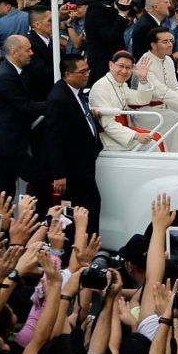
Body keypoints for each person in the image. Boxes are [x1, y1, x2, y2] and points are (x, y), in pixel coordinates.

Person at [0, 35, 46, 197]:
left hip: (3, 139)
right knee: (37, 178)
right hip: (3, 141)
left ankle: (1, 220)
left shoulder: (13, 71)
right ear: (14, 52)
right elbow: (26, 106)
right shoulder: (6, 75)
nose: (31, 53)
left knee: (4, 184)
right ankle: (29, 215)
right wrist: (55, 104)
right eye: (27, 50)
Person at [43, 54, 103, 233]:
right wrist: (59, 173)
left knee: (89, 206)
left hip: (82, 164)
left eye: (88, 70)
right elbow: (54, 138)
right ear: (67, 74)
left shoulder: (73, 92)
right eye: (82, 72)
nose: (87, 74)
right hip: (72, 169)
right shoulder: (59, 99)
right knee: (83, 208)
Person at [89, 50, 156, 150]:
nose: (124, 71)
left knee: (156, 136)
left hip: (121, 131)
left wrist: (143, 79)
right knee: (151, 144)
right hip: (107, 137)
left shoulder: (121, 84)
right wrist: (136, 135)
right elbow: (108, 125)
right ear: (111, 65)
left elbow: (141, 100)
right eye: (121, 66)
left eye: (128, 67)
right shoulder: (101, 87)